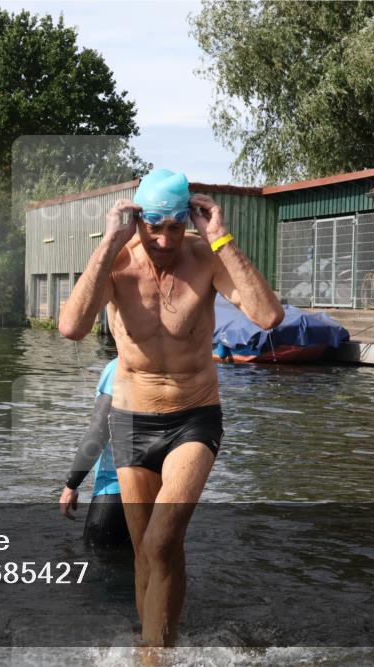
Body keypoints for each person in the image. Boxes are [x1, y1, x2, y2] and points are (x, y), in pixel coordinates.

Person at [58, 168, 283, 647]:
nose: (163, 239)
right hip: (131, 419)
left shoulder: (206, 258)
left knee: (161, 540)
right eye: (153, 226)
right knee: (147, 552)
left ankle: (152, 659)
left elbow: (267, 316)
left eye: (175, 227)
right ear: (137, 219)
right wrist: (107, 243)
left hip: (193, 416)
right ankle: (159, 646)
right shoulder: (117, 263)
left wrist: (222, 239)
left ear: (188, 221)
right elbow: (72, 327)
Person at [59, 357, 129, 548]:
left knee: (98, 566)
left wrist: (71, 484)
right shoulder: (172, 367)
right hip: (157, 494)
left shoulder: (119, 367)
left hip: (115, 493)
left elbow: (98, 432)